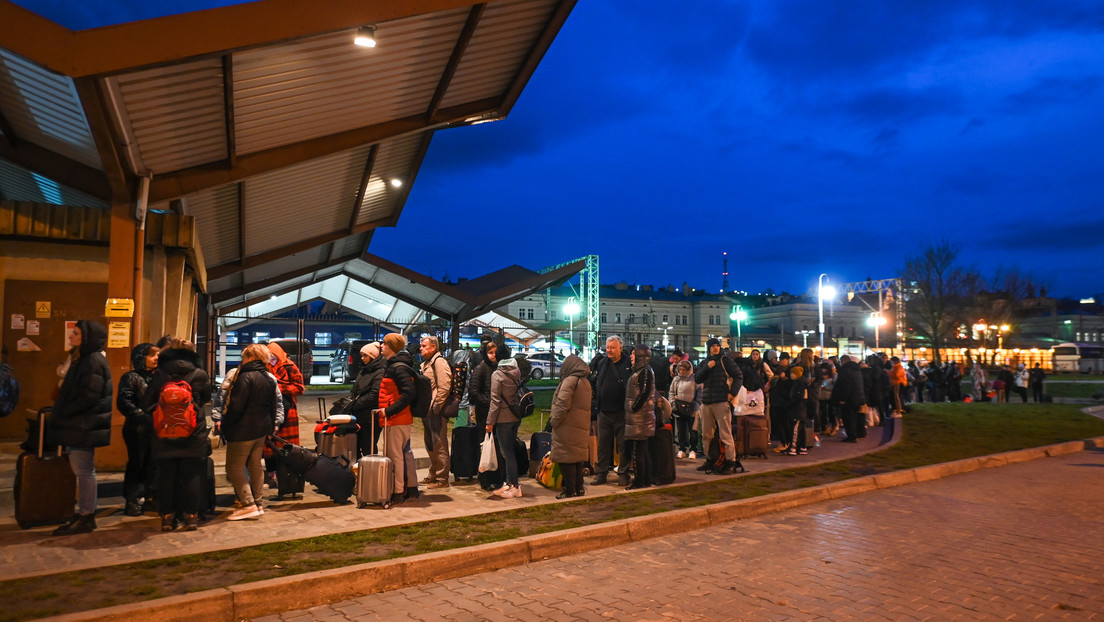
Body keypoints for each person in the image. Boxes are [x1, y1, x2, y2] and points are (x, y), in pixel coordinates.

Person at [48, 320, 112, 535]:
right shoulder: (85, 358)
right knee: (82, 470)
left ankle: (86, 515)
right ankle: (85, 513)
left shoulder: (92, 361)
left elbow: (89, 396)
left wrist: (65, 412)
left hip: (83, 424)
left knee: (84, 471)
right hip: (79, 424)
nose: (70, 337)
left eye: (75, 333)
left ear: (87, 337)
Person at [141, 338, 212, 532]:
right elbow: (206, 398)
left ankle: (168, 517)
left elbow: (146, 403)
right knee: (191, 476)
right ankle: (191, 516)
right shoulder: (199, 374)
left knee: (166, 477)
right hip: (193, 433)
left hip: (164, 433)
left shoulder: (160, 374)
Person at [214, 344, 283, 521]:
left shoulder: (245, 377)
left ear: (251, 357)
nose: (242, 360)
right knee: (255, 465)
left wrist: (227, 424)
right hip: (261, 429)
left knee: (234, 467)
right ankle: (258, 503)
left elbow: (236, 406)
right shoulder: (268, 377)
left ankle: (248, 504)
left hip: (243, 429)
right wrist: (272, 424)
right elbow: (274, 404)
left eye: (244, 357)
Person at [374, 333, 419, 505]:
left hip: (396, 418)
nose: (381, 346)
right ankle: (410, 487)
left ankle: (397, 491)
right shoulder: (396, 365)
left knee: (395, 456)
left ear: (392, 347)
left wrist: (388, 411)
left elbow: (409, 393)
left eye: (385, 343)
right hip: (398, 418)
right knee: (404, 453)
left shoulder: (397, 368)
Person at [116, 343, 159, 516]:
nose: (156, 358)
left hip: (156, 428)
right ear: (141, 358)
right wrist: (143, 416)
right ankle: (133, 499)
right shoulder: (131, 377)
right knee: (137, 464)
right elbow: (124, 402)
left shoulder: (159, 377)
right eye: (152, 355)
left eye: (157, 354)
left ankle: (150, 498)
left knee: (153, 464)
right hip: (137, 428)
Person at [694, 337, 741, 474]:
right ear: (708, 348)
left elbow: (738, 376)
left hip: (721, 400)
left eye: (717, 345)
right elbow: (697, 378)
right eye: (712, 346)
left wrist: (732, 393)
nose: (715, 348)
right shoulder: (705, 362)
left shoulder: (725, 360)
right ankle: (710, 459)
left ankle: (731, 461)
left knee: (725, 433)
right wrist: (708, 368)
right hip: (706, 402)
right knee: (706, 434)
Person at [262, 341, 305, 492]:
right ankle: (271, 476)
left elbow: (299, 388)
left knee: (285, 446)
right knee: (269, 445)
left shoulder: (289, 366)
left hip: (287, 411)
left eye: (273, 356)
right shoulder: (264, 366)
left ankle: (286, 477)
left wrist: (278, 387)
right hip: (269, 409)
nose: (271, 359)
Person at [590, 336, 632, 486]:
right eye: (607, 347)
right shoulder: (602, 363)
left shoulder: (628, 363)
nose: (609, 350)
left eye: (612, 348)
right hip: (604, 411)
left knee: (623, 446)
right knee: (603, 445)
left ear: (620, 348)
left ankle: (623, 474)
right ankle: (601, 473)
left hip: (621, 411)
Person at [550, 354, 592, 499]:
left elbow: (562, 405)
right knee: (577, 459)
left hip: (566, 427)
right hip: (580, 426)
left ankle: (569, 490)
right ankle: (579, 488)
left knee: (565, 458)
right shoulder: (585, 382)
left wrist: (554, 421)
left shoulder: (569, 381)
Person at [486, 355, 523, 498]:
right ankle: (509, 483)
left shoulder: (497, 375)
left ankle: (514, 486)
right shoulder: (516, 373)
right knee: (510, 451)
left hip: (503, 419)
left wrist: (490, 422)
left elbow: (495, 400)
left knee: (507, 453)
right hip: (516, 416)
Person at [419, 336, 452, 489]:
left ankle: (442, 478)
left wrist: (436, 406)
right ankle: (433, 473)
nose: (421, 348)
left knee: (439, 443)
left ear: (433, 347)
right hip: (427, 410)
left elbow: (445, 386)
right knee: (430, 443)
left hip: (435, 410)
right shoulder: (428, 363)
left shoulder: (439, 362)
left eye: (424, 346)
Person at [622, 344, 656, 489]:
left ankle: (639, 481)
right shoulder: (640, 371)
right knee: (642, 451)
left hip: (640, 418)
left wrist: (634, 407)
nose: (631, 356)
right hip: (639, 417)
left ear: (640, 356)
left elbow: (644, 392)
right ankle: (645, 480)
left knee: (638, 452)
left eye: (633, 354)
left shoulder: (645, 371)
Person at [348, 342, 385, 457]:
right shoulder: (364, 370)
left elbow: (375, 394)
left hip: (371, 417)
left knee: (368, 445)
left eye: (365, 355)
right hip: (359, 415)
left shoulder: (380, 371)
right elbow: (355, 389)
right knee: (356, 444)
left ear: (372, 356)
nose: (362, 358)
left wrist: (355, 404)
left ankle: (372, 466)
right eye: (362, 355)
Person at [830, 354, 865, 443]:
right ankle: (855, 434)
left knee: (848, 418)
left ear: (843, 361)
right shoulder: (857, 370)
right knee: (854, 417)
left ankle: (851, 436)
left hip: (849, 398)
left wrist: (842, 398)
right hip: (857, 397)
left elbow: (845, 386)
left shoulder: (845, 370)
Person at [668, 360, 697, 458]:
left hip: (692, 408)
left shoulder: (694, 379)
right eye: (680, 369)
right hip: (679, 408)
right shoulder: (676, 379)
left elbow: (699, 392)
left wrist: (697, 405)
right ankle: (682, 449)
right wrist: (672, 404)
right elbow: (671, 392)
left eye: (684, 369)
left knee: (693, 431)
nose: (682, 371)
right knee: (681, 431)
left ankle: (693, 449)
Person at [468, 339, 498, 428]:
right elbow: (474, 391)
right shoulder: (480, 369)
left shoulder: (497, 367)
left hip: (495, 410)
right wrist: (487, 401)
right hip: (484, 411)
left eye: (495, 352)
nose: (494, 355)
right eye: (490, 352)